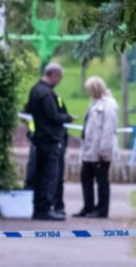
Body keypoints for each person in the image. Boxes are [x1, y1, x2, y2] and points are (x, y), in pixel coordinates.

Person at [24, 62, 71, 220]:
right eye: (59, 78)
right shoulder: (47, 94)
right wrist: (67, 118)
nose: (59, 82)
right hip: (49, 139)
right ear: (54, 75)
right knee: (49, 176)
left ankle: (38, 208)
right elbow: (54, 117)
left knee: (39, 174)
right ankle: (45, 209)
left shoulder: (34, 90)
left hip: (38, 138)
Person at [78, 75, 120, 218]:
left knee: (102, 180)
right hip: (90, 149)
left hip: (100, 151)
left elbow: (108, 130)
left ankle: (102, 209)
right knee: (86, 177)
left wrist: (103, 150)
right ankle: (88, 207)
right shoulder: (94, 103)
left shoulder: (109, 105)